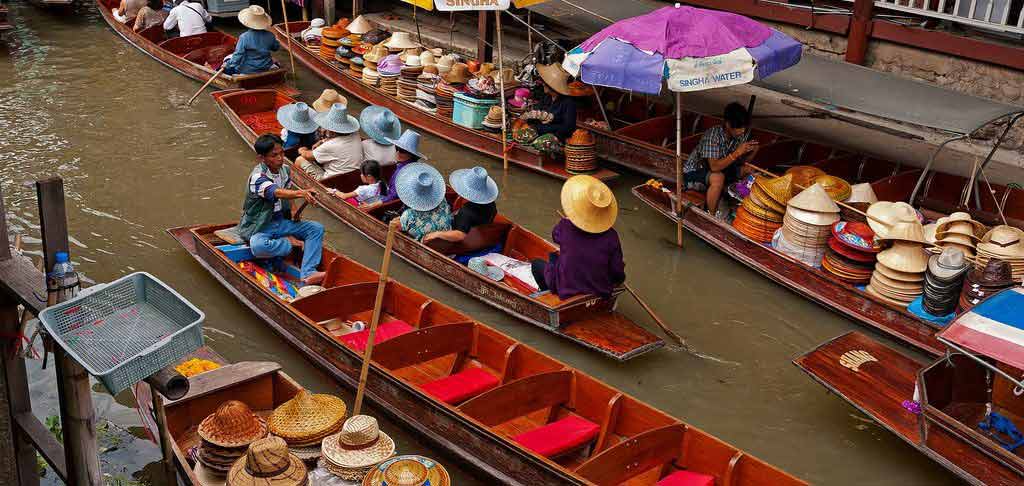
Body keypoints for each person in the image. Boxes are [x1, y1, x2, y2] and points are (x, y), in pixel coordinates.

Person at [238, 134, 325, 286]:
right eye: (274, 155)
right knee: (258, 246)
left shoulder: (285, 170)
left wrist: (294, 210)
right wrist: (302, 192)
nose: (280, 158)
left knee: (316, 228)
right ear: (261, 158)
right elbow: (276, 191)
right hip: (260, 226)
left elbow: (287, 190)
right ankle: (288, 243)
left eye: (282, 153)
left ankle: (308, 272)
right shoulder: (257, 177)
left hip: (281, 221)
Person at [531, 175, 624, 300]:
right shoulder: (612, 236)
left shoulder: (566, 225)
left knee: (537, 264)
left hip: (567, 287)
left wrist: (567, 220)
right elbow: (617, 272)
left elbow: (555, 236)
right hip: (600, 289)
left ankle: (549, 295)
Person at [683, 102, 760, 216]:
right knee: (718, 178)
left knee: (749, 171)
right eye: (739, 127)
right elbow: (714, 167)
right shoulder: (713, 136)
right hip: (695, 173)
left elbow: (739, 162)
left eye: (744, 127)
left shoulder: (738, 135)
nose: (742, 131)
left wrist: (751, 151)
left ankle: (736, 201)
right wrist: (738, 152)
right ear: (728, 124)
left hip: (722, 169)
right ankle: (711, 215)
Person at [423, 166, 497, 244]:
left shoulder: (466, 211)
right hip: (480, 232)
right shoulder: (491, 204)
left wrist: (437, 234)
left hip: (463, 242)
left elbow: (460, 235)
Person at [296, 103, 363, 180]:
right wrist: (322, 141)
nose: (326, 129)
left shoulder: (331, 145)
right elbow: (337, 140)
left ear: (332, 132)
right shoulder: (355, 134)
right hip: (353, 175)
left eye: (328, 128)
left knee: (299, 159)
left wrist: (302, 150)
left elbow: (307, 155)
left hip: (331, 180)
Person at [395, 163, 452, 241]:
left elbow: (397, 228)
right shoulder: (443, 200)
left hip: (424, 243)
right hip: (446, 239)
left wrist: (397, 221)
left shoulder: (408, 215)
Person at [223, 6, 279, 75]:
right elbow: (276, 48)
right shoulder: (270, 35)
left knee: (227, 61)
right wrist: (275, 37)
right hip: (265, 66)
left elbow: (238, 56)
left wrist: (227, 65)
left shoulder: (244, 37)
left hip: (247, 70)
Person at [531, 63, 577, 142]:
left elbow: (568, 127)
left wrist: (553, 134)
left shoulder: (568, 103)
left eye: (545, 82)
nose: (543, 84)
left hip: (555, 138)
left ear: (551, 86)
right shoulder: (547, 97)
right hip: (539, 133)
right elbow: (538, 111)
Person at [380, 130, 426, 204]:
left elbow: (393, 195)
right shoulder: (414, 166)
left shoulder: (402, 171)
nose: (397, 152)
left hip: (394, 203)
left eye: (401, 150)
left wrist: (375, 204)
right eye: (396, 148)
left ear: (411, 154)